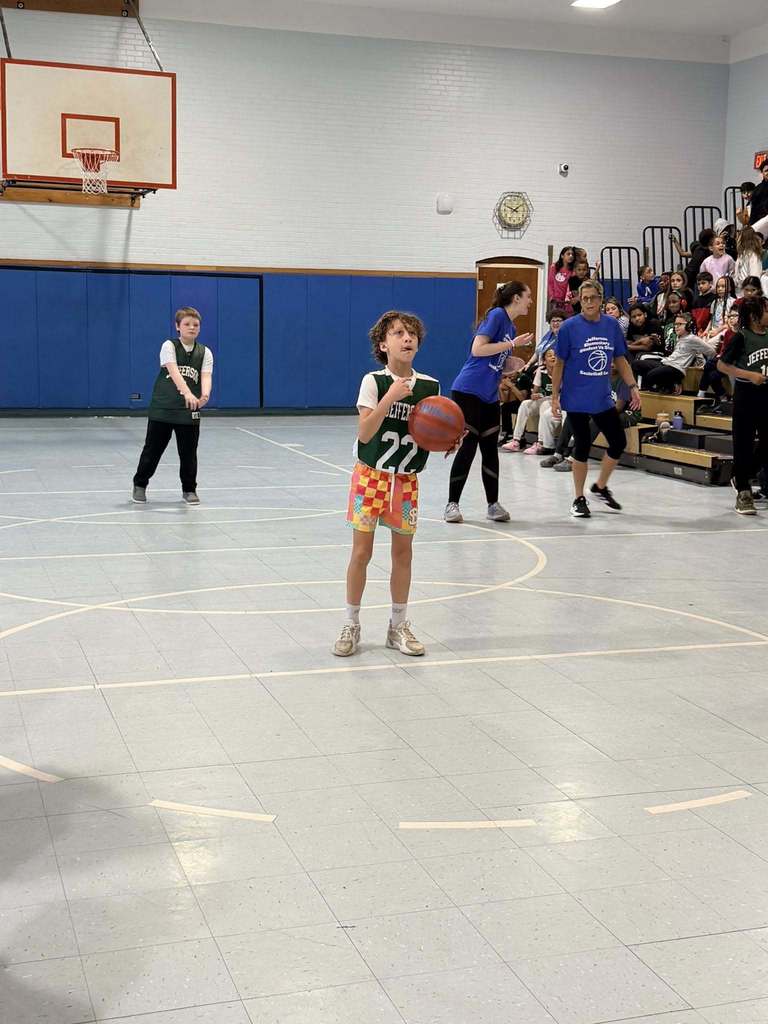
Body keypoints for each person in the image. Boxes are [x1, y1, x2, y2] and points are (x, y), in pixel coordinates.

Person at [334, 310, 441, 658]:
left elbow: (428, 432)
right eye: (398, 333)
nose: (406, 338)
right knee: (361, 553)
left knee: (403, 554)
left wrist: (445, 437)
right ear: (384, 344)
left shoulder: (430, 386)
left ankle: (398, 625)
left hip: (406, 481)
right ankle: (351, 623)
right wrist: (390, 397)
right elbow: (365, 432)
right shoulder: (374, 381)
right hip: (371, 477)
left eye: (411, 333)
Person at [551, 279, 641, 517]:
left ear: (601, 299)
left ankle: (600, 487)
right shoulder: (569, 327)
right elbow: (559, 364)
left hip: (601, 397)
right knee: (581, 444)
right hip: (576, 396)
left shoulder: (611, 326)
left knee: (618, 442)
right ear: (580, 299)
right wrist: (554, 396)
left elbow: (621, 359)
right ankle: (578, 498)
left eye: (593, 297)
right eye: (585, 298)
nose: (589, 302)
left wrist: (632, 386)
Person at [444, 282, 533, 524]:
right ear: (515, 298)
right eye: (528, 297)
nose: (530, 301)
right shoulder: (497, 315)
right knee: (468, 446)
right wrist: (513, 345)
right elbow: (478, 349)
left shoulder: (511, 327)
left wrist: (509, 364)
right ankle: (452, 504)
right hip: (468, 390)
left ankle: (493, 505)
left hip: (489, 394)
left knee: (490, 449)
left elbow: (494, 359)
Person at [132, 306, 212, 505]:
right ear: (177, 326)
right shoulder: (168, 346)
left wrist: (204, 395)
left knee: (188, 453)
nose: (192, 328)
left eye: (196, 325)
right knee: (153, 450)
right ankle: (140, 484)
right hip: (163, 408)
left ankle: (189, 489)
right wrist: (186, 392)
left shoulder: (205, 352)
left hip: (189, 411)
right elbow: (174, 372)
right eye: (187, 324)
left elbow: (206, 376)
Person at [717, 295, 768, 515]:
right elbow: (721, 365)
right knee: (744, 444)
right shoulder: (741, 337)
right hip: (747, 395)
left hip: (767, 394)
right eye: (766, 310)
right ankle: (744, 492)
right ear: (755, 316)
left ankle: (742, 476)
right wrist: (749, 374)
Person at [641, 313, 716, 394]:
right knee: (637, 365)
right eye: (675, 324)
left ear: (688, 325)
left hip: (676, 368)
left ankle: (669, 387)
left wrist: (709, 362)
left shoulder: (693, 339)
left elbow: (712, 352)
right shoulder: (679, 338)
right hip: (667, 363)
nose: (676, 327)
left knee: (650, 376)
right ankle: (666, 385)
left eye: (679, 324)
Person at [502, 347, 557, 454]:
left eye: (555, 355)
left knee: (545, 404)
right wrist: (534, 395)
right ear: (544, 360)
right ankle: (516, 440)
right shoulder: (541, 371)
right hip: (545, 398)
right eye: (549, 355)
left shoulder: (562, 370)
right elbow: (534, 392)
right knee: (525, 404)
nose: (553, 357)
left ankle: (541, 443)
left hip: (557, 400)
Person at [698, 307, 739, 411]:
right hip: (724, 362)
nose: (731, 318)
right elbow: (723, 350)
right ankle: (723, 397)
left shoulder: (742, 333)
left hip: (735, 363)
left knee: (709, 364)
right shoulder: (728, 333)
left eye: (734, 316)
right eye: (729, 316)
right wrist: (719, 356)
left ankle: (701, 392)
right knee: (712, 375)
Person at [734, 226, 765, 295]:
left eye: (738, 236)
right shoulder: (742, 254)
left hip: (748, 293)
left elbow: (754, 276)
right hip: (740, 292)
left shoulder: (752, 255)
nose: (736, 239)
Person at [547, 246, 575, 312]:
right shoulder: (554, 267)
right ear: (562, 256)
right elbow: (550, 282)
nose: (571, 256)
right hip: (556, 300)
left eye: (572, 255)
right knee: (557, 318)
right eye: (568, 254)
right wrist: (552, 296)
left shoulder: (573, 270)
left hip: (567, 301)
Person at [748, 160, 768, 230]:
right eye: (766, 170)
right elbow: (752, 209)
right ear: (762, 173)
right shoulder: (758, 189)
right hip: (760, 224)